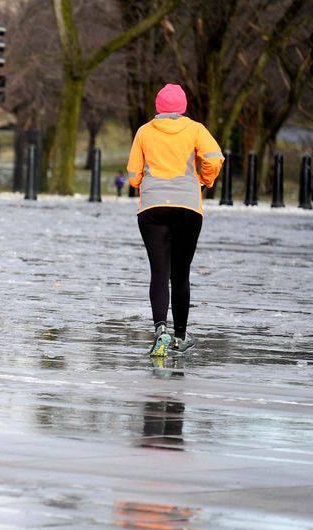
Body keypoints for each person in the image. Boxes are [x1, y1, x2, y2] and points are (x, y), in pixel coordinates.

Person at [127, 83, 224, 356]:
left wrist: (143, 184)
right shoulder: (196, 129)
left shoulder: (144, 131)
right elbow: (215, 158)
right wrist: (204, 180)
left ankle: (160, 331)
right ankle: (180, 336)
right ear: (182, 108)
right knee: (180, 274)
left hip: (152, 209)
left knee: (159, 272)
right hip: (188, 208)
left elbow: (134, 175)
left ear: (158, 107)